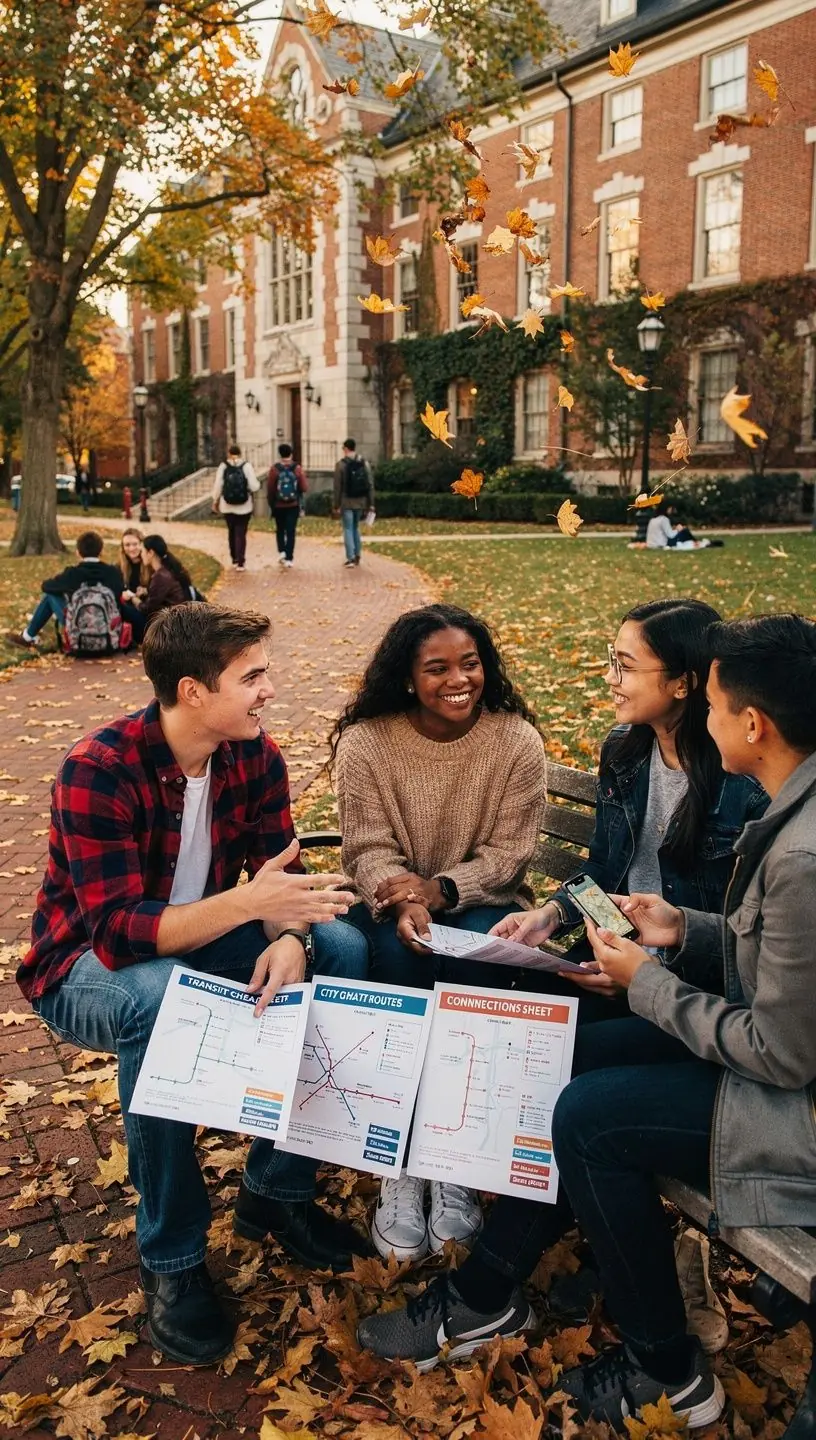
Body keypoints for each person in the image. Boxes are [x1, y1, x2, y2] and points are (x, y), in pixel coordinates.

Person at [357, 612, 816, 1433]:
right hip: (701, 1003)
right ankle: (491, 1292)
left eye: (714, 700)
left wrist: (646, 979)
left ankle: (661, 1366)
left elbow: (778, 1050)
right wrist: (660, 924)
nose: (608, 678)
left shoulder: (788, 835)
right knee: (558, 1069)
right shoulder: (745, 790)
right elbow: (665, 903)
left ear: (747, 722)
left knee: (587, 1113)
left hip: (780, 1090)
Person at [17, 604, 371, 1367]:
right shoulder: (99, 768)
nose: (270, 690)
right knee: (158, 1000)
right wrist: (254, 907)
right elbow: (115, 936)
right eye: (252, 677)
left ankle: (276, 1192)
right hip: (80, 968)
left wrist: (291, 941)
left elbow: (287, 883)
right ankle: (171, 1257)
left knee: (343, 946)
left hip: (198, 943)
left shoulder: (253, 757)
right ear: (192, 691)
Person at [332, 603, 546, 1263]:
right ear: (406, 677)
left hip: (482, 902)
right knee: (396, 963)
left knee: (473, 963)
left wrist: (443, 890)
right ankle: (400, 1159)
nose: (460, 679)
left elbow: (509, 855)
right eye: (438, 668)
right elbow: (365, 847)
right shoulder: (367, 742)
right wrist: (402, 896)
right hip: (393, 902)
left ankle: (453, 1158)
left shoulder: (515, 741)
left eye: (471, 663)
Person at [492, 598, 767, 1016]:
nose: (609, 677)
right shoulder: (626, 750)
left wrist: (644, 976)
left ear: (683, 683)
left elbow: (746, 940)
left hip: (693, 993)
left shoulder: (744, 783)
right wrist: (552, 914)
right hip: (612, 953)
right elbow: (604, 869)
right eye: (611, 660)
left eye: (625, 665)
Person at [7, 530, 125, 650]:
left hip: (77, 627)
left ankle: (28, 636)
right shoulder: (112, 572)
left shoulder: (72, 573)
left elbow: (46, 586)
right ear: (101, 551)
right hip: (107, 629)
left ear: (78, 552)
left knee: (50, 596)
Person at [212, 443, 260, 571]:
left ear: (229, 453)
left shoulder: (223, 466)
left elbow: (218, 485)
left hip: (227, 505)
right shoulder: (247, 466)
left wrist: (215, 500)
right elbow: (254, 486)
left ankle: (234, 558)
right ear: (240, 453)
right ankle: (241, 562)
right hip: (244, 506)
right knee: (241, 533)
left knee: (231, 531)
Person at [333, 438, 374, 568]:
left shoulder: (341, 465)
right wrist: (371, 502)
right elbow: (369, 484)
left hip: (346, 501)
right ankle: (357, 554)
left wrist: (336, 504)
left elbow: (337, 487)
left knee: (348, 528)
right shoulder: (364, 463)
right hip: (360, 501)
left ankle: (350, 557)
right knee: (356, 527)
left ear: (346, 449)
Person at [267, 444, 308, 568]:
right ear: (291, 453)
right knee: (291, 531)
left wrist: (272, 503)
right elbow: (304, 487)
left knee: (280, 529)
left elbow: (270, 489)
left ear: (280, 454)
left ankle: (282, 552)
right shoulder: (297, 468)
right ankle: (289, 558)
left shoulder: (274, 469)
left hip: (279, 505)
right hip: (293, 504)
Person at [141, 535, 193, 621]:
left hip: (173, 622)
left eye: (142, 551)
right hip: (176, 616)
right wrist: (146, 592)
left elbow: (148, 609)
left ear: (150, 553)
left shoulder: (161, 576)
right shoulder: (168, 568)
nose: (141, 555)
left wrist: (134, 599)